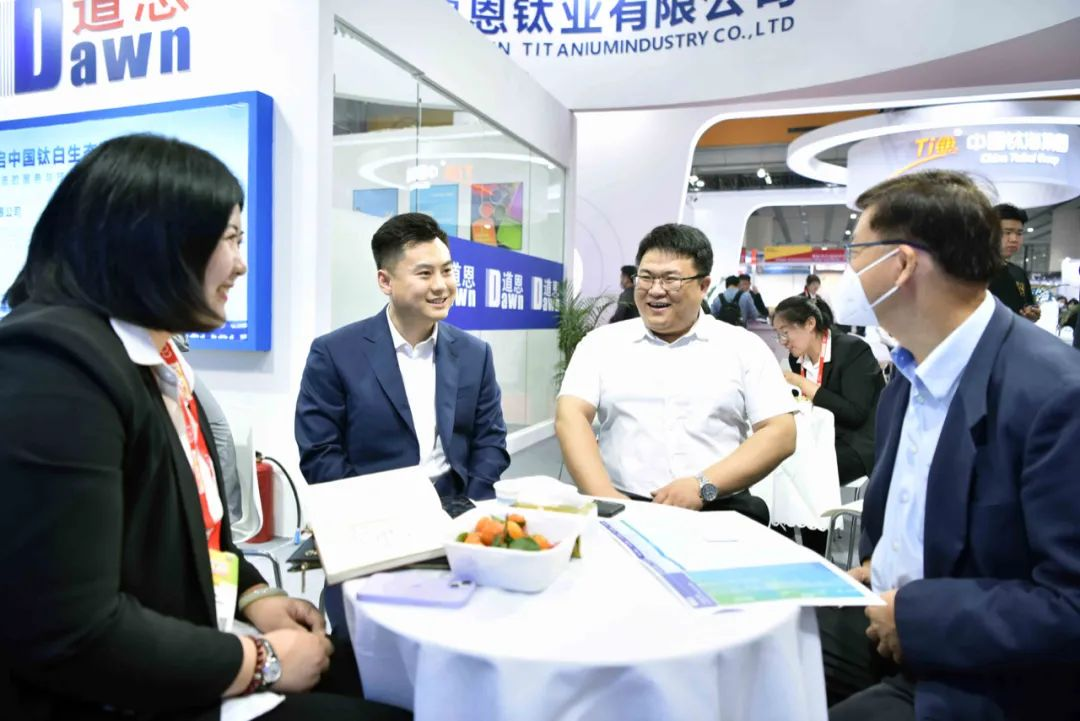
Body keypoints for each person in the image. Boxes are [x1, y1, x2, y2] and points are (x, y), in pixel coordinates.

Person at [0, 135, 409, 721]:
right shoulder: (54, 367)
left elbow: (194, 535)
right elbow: (71, 629)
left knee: (384, 677)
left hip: (187, 653)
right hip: (118, 697)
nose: (241, 264)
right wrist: (263, 660)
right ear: (157, 242)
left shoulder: (155, 359)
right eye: (230, 239)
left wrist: (255, 594)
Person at [817, 170, 1080, 721]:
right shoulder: (910, 373)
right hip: (890, 624)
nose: (850, 272)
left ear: (902, 265)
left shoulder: (1052, 394)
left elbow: (1069, 604)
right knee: (759, 657)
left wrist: (915, 616)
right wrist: (879, 566)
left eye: (857, 252)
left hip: (990, 675)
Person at [295, 212, 510, 633]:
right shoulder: (335, 353)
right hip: (369, 527)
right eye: (425, 273)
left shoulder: (473, 354)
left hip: (455, 520)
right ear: (385, 281)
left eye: (447, 270)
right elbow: (320, 453)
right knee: (366, 647)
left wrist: (471, 512)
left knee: (457, 635)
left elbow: (490, 441)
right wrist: (375, 515)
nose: (441, 285)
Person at [556, 223, 796, 526]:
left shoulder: (742, 347)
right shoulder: (600, 344)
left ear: (703, 285)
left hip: (717, 507)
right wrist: (608, 499)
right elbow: (570, 416)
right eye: (646, 277)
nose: (656, 290)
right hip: (621, 506)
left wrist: (702, 486)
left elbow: (781, 432)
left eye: (671, 279)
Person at [772, 295, 885, 554]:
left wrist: (803, 384)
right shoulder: (796, 360)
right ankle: (784, 547)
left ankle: (816, 553)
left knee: (808, 470)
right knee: (773, 462)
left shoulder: (853, 350)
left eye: (786, 332)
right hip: (815, 439)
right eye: (778, 334)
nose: (783, 341)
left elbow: (854, 414)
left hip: (858, 443)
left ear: (810, 324)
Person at [987, 202, 1040, 321]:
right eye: (1007, 232)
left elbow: (1028, 305)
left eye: (1019, 233)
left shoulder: (1018, 273)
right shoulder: (973, 271)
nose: (1014, 239)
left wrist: (1031, 314)